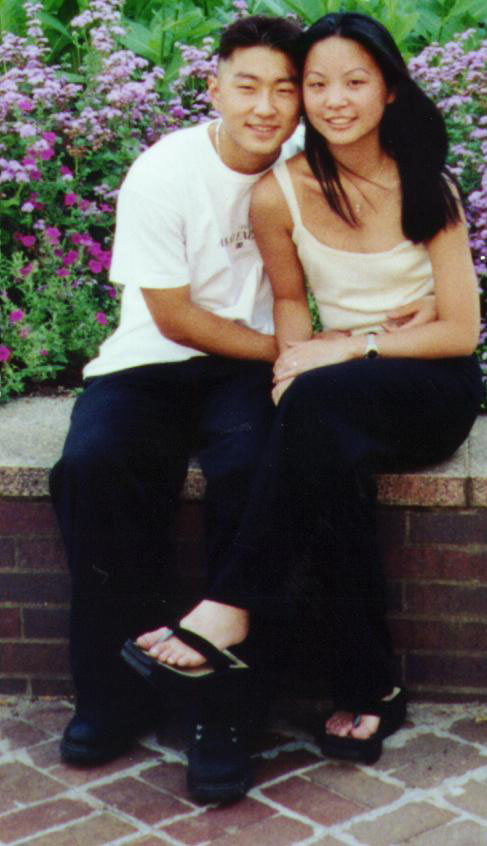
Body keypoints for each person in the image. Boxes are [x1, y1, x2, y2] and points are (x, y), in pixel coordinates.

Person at [132, 11, 482, 770]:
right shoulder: (279, 194)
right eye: (317, 84)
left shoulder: (429, 185)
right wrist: (296, 369)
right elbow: (291, 305)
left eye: (355, 81)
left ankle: (229, 604)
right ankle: (371, 689)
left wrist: (354, 345)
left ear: (389, 89)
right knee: (323, 450)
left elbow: (460, 331)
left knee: (319, 411)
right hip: (345, 393)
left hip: (430, 386)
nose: (334, 100)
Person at [50, 14, 303, 800]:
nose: (266, 106)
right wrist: (287, 350)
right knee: (93, 465)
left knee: (253, 470)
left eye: (285, 89)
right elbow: (172, 316)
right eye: (248, 85)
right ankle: (112, 694)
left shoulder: (308, 164)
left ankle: (225, 713)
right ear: (213, 87)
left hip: (247, 373)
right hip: (152, 360)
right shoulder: (164, 171)